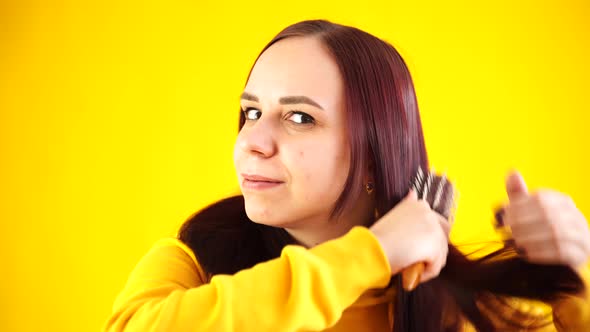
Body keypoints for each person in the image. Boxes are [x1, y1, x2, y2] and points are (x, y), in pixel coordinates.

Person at [102, 19, 590, 332]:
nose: (253, 140)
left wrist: (574, 279)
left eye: (299, 118)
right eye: (251, 112)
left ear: (376, 156)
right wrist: (370, 253)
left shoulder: (461, 310)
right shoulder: (188, 267)